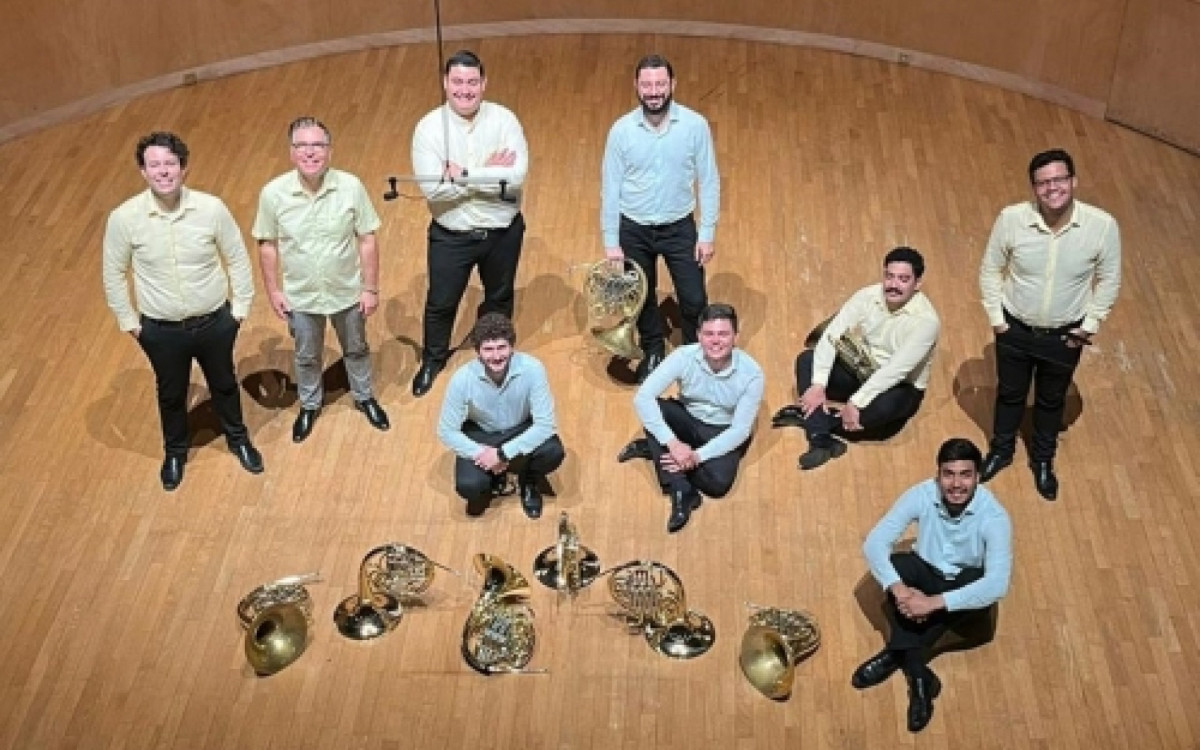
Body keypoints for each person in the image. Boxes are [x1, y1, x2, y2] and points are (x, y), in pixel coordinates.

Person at [102, 131, 263, 490]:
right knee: (171, 394)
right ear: (143, 171)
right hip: (160, 331)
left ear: (183, 167)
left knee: (224, 384)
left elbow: (237, 258)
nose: (163, 172)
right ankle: (175, 452)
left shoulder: (211, 209)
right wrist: (131, 324)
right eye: (154, 165)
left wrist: (239, 311)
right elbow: (113, 274)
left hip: (215, 322)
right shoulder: (124, 218)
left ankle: (238, 439)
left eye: (170, 164)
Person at [978, 148, 1121, 500]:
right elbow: (990, 270)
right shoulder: (1011, 219)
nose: (1052, 188)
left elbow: (1109, 280)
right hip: (1014, 328)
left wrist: (1088, 327)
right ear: (1034, 188)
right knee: (1009, 394)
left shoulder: (1102, 226)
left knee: (1051, 400)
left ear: (1074, 181)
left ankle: (1042, 460)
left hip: (1065, 336)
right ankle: (1001, 450)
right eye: (1043, 183)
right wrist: (998, 321)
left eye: (1059, 179)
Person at [853, 437, 1012, 733]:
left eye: (965, 475)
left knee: (975, 580)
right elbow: (875, 543)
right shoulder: (922, 494)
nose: (956, 484)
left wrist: (931, 603)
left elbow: (997, 584)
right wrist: (901, 591)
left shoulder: (995, 517)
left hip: (962, 582)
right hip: (926, 570)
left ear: (978, 477)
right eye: (948, 474)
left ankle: (898, 655)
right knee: (898, 565)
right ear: (938, 475)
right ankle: (920, 675)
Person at [253, 116, 390, 443]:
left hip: (347, 291)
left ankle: (364, 396)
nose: (310, 152)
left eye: (318, 145)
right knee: (306, 356)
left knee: (356, 349)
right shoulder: (273, 194)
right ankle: (310, 404)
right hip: (301, 296)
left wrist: (370, 288)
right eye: (302, 145)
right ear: (291, 152)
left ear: (330, 151)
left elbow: (367, 239)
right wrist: (273, 291)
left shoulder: (351, 187)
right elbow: (267, 245)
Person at [410, 50, 529, 398]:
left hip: (502, 232)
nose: (465, 90)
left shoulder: (505, 120)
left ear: (484, 83)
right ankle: (433, 359)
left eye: (472, 82)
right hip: (452, 235)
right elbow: (433, 188)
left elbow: (516, 177)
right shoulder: (428, 129)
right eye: (458, 82)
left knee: (499, 298)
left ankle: (495, 357)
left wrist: (464, 174)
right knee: (441, 303)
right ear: (445, 83)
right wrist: (492, 172)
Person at [601, 53, 720, 383]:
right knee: (641, 297)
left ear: (673, 84)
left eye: (660, 84)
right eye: (647, 85)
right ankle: (653, 348)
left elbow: (709, 180)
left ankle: (694, 353)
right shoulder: (620, 131)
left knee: (694, 298)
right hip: (633, 228)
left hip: (679, 227)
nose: (654, 92)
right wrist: (611, 242)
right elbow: (610, 188)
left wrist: (706, 233)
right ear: (636, 86)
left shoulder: (695, 126)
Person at [774, 247, 939, 470]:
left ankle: (813, 422)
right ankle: (822, 435)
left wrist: (856, 402)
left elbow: (895, 370)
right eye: (889, 276)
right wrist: (818, 384)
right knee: (807, 361)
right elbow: (831, 335)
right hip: (861, 370)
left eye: (903, 279)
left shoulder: (926, 322)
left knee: (884, 411)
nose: (893, 285)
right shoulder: (867, 296)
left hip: (898, 386)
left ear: (917, 283)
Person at [618, 303, 763, 533]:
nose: (715, 341)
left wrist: (696, 456)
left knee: (718, 485)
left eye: (723, 334)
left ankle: (657, 451)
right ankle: (681, 490)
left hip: (722, 429)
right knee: (654, 410)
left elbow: (740, 430)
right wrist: (673, 444)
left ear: (736, 337)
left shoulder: (752, 374)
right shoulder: (683, 356)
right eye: (709, 334)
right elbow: (643, 398)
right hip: (687, 416)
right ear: (699, 336)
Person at [436, 313, 564, 519]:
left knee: (553, 452)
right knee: (469, 486)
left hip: (520, 427)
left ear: (512, 346)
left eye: (501, 347)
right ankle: (494, 479)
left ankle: (528, 481)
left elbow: (546, 425)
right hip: (482, 434)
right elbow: (446, 431)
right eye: (488, 349)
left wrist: (502, 454)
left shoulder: (533, 369)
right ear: (477, 351)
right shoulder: (461, 380)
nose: (496, 356)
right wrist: (481, 453)